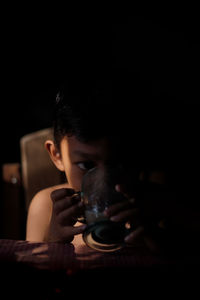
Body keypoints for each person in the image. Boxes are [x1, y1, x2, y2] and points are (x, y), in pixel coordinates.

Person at [26, 73, 195, 255]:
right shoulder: (46, 208)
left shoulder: (161, 206)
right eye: (86, 165)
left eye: (119, 163)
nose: (104, 180)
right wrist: (52, 241)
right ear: (56, 156)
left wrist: (157, 243)